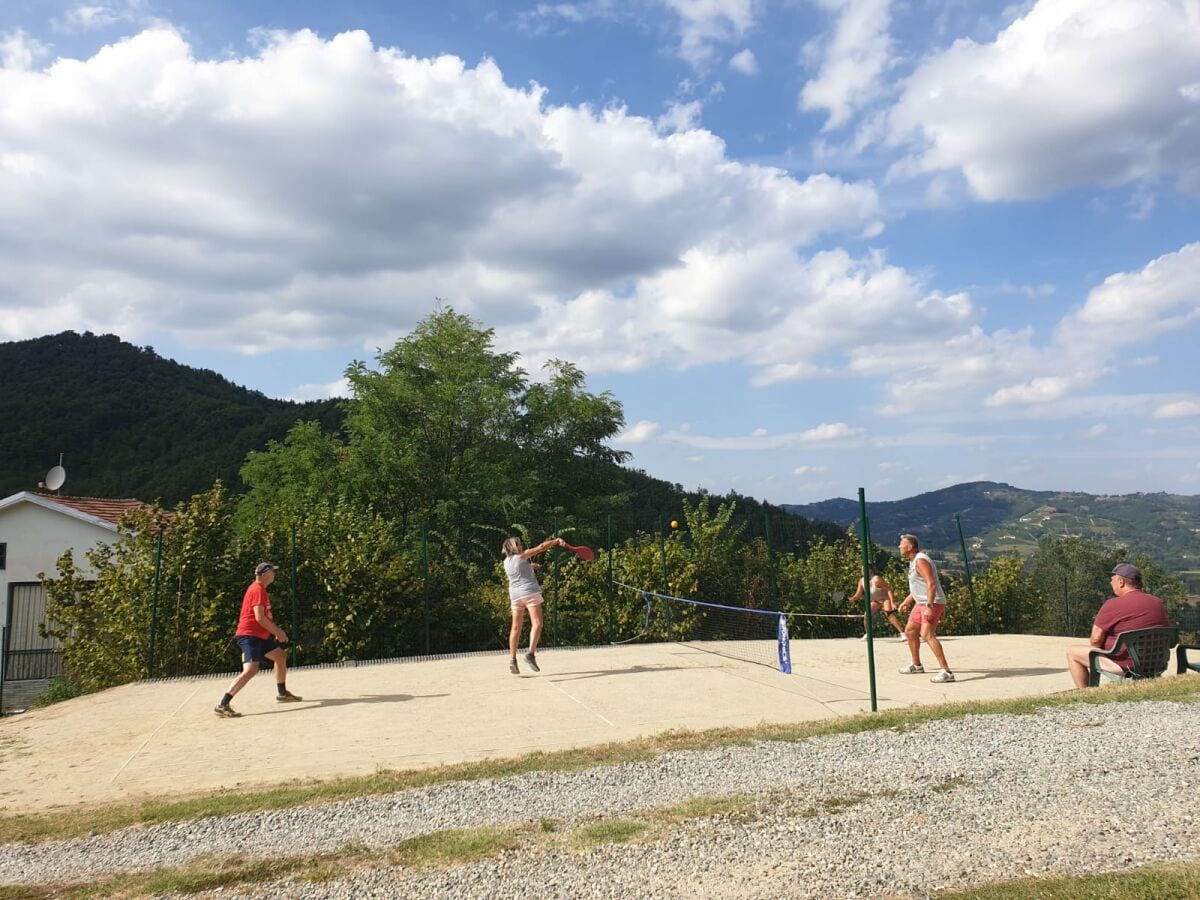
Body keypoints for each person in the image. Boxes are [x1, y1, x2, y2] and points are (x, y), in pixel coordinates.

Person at [214, 563, 302, 717]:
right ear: (264, 574)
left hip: (259, 636)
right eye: (272, 572)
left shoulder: (260, 589)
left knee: (280, 656)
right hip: (249, 636)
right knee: (250, 670)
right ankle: (223, 704)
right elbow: (259, 617)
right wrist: (278, 632)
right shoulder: (257, 589)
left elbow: (262, 619)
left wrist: (272, 632)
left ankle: (282, 694)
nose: (275, 574)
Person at [1066, 563, 1170, 689]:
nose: (1111, 583)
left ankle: (1085, 692)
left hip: (1126, 666)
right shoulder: (1157, 602)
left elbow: (1095, 641)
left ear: (1121, 582)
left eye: (1112, 580)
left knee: (1072, 652)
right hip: (1156, 663)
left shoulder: (1113, 605)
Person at [896, 534, 956, 683]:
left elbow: (931, 584)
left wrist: (929, 606)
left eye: (901, 544)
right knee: (910, 630)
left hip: (932, 602)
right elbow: (919, 586)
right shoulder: (913, 561)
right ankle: (916, 665)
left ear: (909, 547)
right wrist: (907, 601)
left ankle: (946, 672)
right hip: (921, 602)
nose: (899, 546)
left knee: (926, 634)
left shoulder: (920, 560)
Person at [502, 535, 564, 674]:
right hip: (529, 592)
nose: (520, 546)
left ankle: (512, 660)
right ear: (512, 547)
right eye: (517, 544)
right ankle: (530, 654)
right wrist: (555, 541)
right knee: (537, 623)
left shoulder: (506, 562)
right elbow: (541, 547)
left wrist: (530, 567)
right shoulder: (522, 556)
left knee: (516, 627)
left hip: (515, 595)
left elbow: (518, 569)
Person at [848, 571, 905, 641]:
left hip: (885, 598)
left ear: (870, 570)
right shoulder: (861, 581)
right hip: (875, 600)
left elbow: (889, 590)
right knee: (866, 615)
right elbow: (858, 594)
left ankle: (902, 634)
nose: (863, 571)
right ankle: (868, 634)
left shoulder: (877, 579)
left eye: (864, 569)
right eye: (862, 570)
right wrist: (853, 598)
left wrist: (892, 602)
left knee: (888, 613)